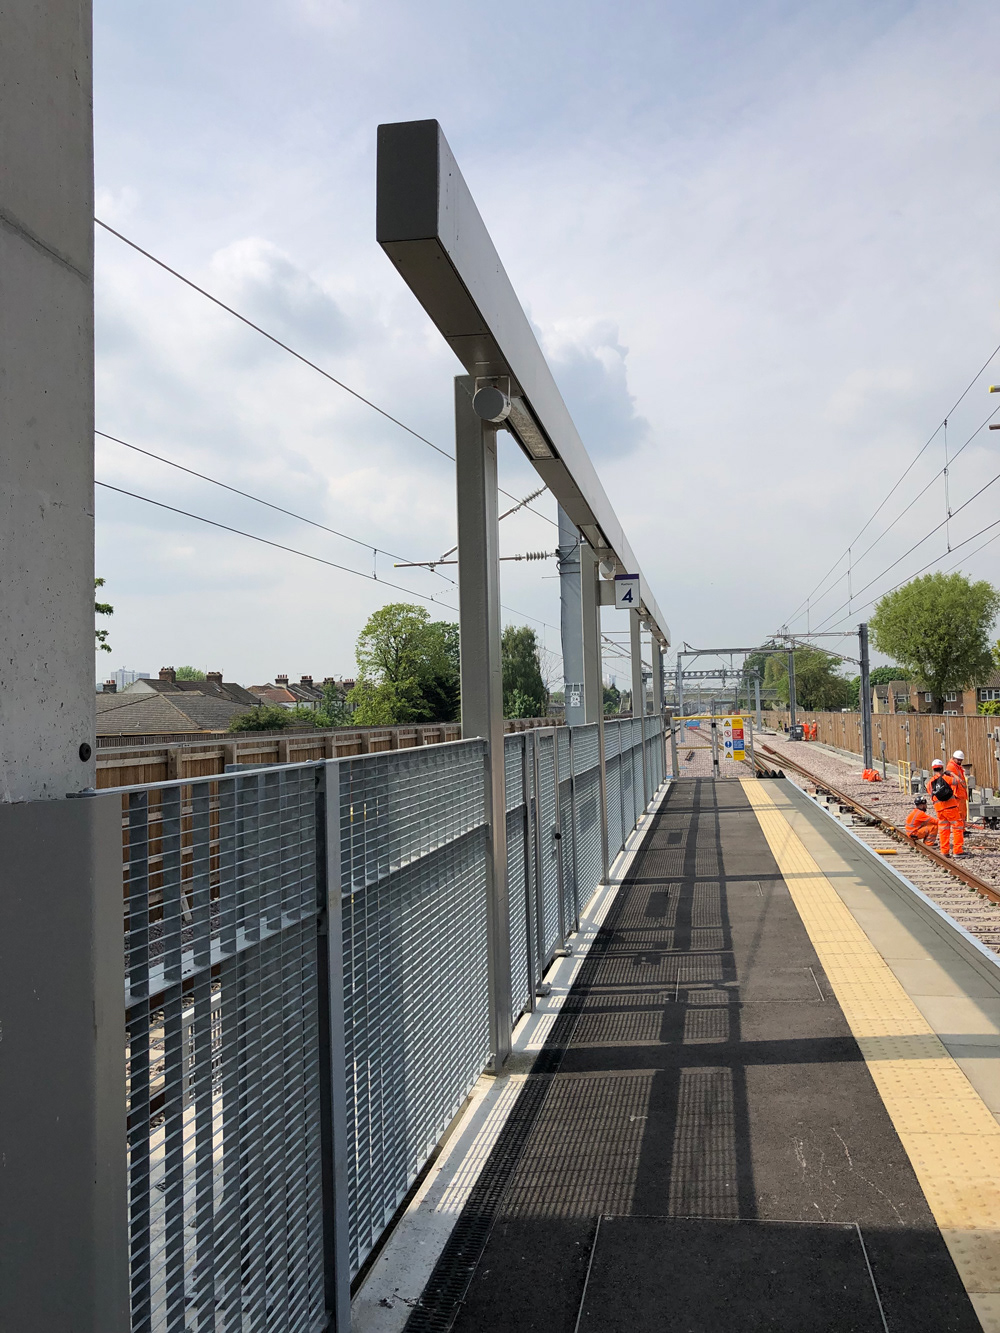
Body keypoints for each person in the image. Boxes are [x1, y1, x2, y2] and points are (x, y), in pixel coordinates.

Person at [926, 759, 964, 856]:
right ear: (942, 768)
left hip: (939, 809)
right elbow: (958, 781)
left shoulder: (930, 783)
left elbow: (930, 794)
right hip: (951, 807)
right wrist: (951, 773)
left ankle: (944, 851)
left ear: (933, 769)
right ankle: (957, 851)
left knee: (943, 830)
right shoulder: (946, 778)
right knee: (957, 827)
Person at [946, 750, 970, 855]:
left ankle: (963, 830)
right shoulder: (951, 767)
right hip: (957, 794)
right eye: (958, 760)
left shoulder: (957, 766)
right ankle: (960, 831)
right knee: (959, 814)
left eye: (961, 760)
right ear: (954, 758)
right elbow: (950, 776)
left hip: (961, 794)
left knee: (963, 813)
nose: (960, 761)